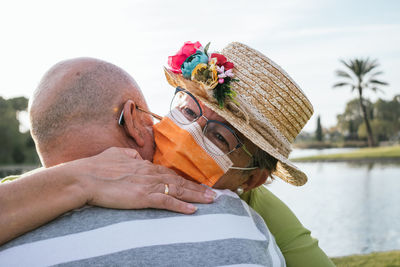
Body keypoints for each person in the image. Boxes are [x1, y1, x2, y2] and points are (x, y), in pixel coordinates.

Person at [1, 41, 335, 266]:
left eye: (220, 137)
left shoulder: (252, 205)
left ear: (253, 177)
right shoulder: (45, 186)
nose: (189, 134)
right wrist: (79, 180)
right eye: (188, 112)